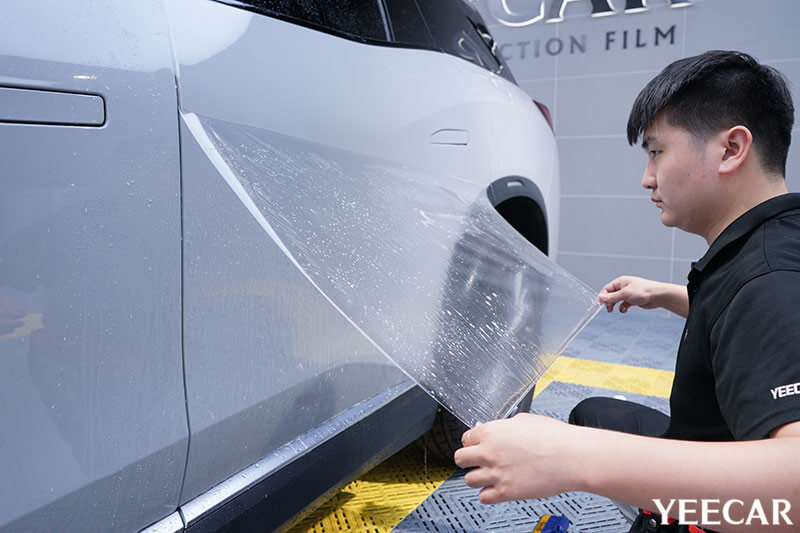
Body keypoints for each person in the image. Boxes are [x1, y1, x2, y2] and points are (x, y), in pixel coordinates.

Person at [454, 50, 800, 533]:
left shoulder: (770, 280)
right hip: (710, 440)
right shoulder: (771, 243)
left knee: (581, 437)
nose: (647, 178)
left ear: (730, 150)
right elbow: (747, 320)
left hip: (731, 514)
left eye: (657, 152)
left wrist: (574, 458)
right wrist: (665, 294)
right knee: (591, 413)